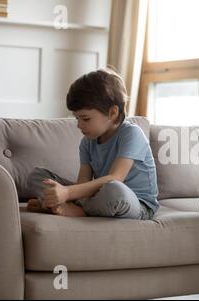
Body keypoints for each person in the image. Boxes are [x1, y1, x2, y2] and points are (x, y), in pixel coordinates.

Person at [26, 68, 159, 220]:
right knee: (37, 175)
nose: (79, 125)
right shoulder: (87, 142)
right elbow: (83, 182)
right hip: (100, 194)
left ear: (112, 113)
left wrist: (67, 193)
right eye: (77, 119)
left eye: (85, 119)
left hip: (136, 204)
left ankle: (74, 210)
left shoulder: (132, 134)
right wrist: (63, 192)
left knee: (115, 190)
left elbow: (116, 177)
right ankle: (58, 204)